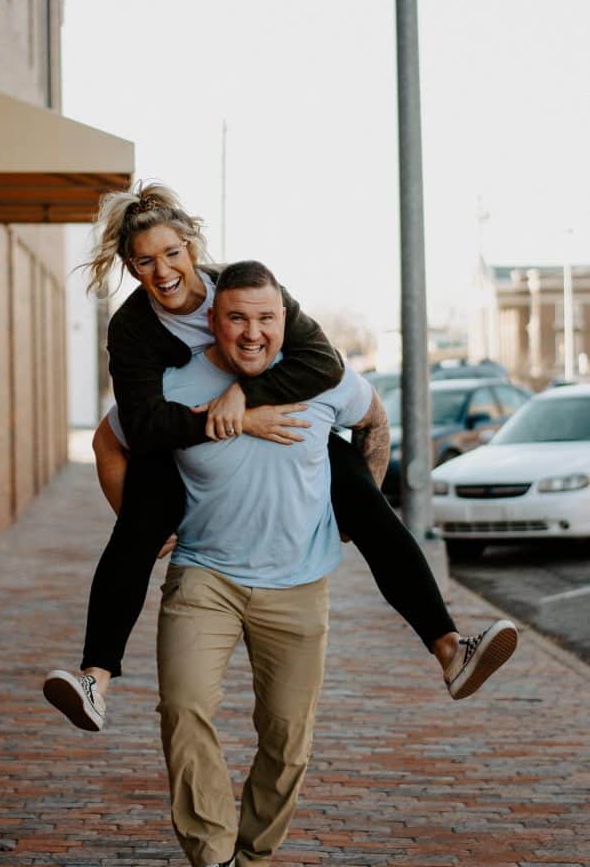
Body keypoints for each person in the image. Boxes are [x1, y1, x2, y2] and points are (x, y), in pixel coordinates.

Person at [43, 182, 517, 733]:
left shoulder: (244, 289)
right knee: (136, 526)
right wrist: (236, 422)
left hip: (283, 425)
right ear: (130, 264)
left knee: (367, 506)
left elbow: (322, 362)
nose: (163, 271)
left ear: (192, 247)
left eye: (172, 254)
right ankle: (94, 680)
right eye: (145, 261)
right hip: (175, 445)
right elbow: (142, 428)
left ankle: (451, 649)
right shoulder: (131, 327)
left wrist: (245, 395)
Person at [157, 260, 381, 867]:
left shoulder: (325, 378)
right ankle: (212, 854)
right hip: (205, 575)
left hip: (299, 584)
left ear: (285, 321)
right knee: (183, 707)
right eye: (237, 318)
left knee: (287, 739)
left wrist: (359, 517)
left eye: (265, 319)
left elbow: (375, 421)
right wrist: (144, 525)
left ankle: (253, 854)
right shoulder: (175, 386)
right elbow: (111, 440)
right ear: (214, 319)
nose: (252, 333)